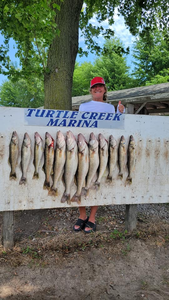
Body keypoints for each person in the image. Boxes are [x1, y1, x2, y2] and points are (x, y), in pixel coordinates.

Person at [73, 77, 125, 233]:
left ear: (104, 89)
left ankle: (92, 217)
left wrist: (119, 112)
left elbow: (116, 126)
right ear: (91, 90)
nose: (97, 89)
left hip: (102, 148)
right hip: (84, 148)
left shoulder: (110, 108)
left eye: (100, 86)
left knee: (98, 180)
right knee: (79, 179)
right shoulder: (83, 106)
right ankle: (82, 215)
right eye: (94, 87)